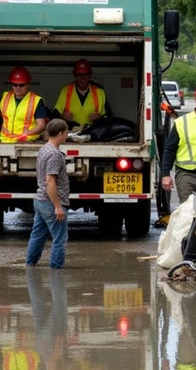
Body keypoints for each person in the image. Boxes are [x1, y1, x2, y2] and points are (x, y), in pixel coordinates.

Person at [26, 119, 70, 269]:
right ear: (60, 133)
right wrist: (58, 206)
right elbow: (50, 181)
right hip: (50, 203)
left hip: (40, 201)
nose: (67, 135)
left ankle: (30, 264)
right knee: (60, 238)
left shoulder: (44, 149)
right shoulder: (54, 155)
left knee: (37, 235)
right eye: (66, 133)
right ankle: (56, 269)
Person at [52, 59, 112, 127]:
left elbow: (108, 117)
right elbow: (54, 115)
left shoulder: (100, 92)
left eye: (85, 74)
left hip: (92, 132)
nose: (82, 78)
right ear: (74, 76)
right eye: (79, 75)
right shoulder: (65, 91)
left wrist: (100, 118)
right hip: (70, 132)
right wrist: (62, 117)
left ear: (89, 75)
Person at [0, 66, 47, 143]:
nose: (18, 87)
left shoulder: (36, 100)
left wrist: (27, 133)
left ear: (28, 84)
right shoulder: (4, 97)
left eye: (21, 85)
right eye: (15, 85)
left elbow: (41, 125)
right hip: (5, 140)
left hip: (26, 141)